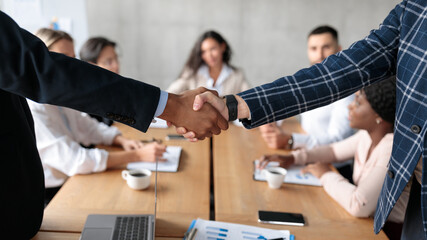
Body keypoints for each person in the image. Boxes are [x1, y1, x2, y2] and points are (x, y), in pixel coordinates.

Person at [188, 0, 426, 238]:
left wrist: (299, 151)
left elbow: (357, 197)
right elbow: (339, 72)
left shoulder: (383, 142)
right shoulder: (415, 11)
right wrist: (235, 106)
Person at [0, 11, 226, 239]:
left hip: (30, 209)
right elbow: (46, 71)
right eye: (64, 58)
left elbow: (85, 125)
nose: (72, 63)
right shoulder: (39, 100)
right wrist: (173, 107)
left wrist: (122, 140)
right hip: (44, 202)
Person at [258, 77, 408, 239]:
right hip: (367, 223)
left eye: (358, 103)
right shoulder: (367, 136)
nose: (350, 106)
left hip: (388, 233)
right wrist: (293, 158)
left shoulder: (391, 149)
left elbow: (358, 204)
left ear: (379, 116)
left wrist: (325, 174)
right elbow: (333, 151)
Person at [30, 28, 167, 206]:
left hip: (73, 181)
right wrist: (136, 155)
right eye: (64, 58)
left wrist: (120, 140)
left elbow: (88, 127)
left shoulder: (58, 97)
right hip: (51, 196)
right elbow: (76, 160)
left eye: (72, 58)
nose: (70, 66)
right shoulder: (34, 108)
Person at [259, 26, 354, 151]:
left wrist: (291, 140)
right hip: (306, 156)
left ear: (339, 50)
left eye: (326, 47)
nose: (319, 55)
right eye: (314, 49)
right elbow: (282, 105)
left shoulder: (347, 87)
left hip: (334, 166)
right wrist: (268, 121)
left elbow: (338, 139)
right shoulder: (307, 80)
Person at [167, 30, 250, 96]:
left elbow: (249, 97)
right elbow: (171, 93)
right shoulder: (192, 73)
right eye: (204, 51)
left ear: (223, 47)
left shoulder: (237, 75)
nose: (209, 55)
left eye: (213, 49)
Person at [80, 37, 122, 125]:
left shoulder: (111, 90)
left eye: (116, 59)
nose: (116, 66)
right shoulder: (83, 99)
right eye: (109, 62)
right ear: (91, 66)